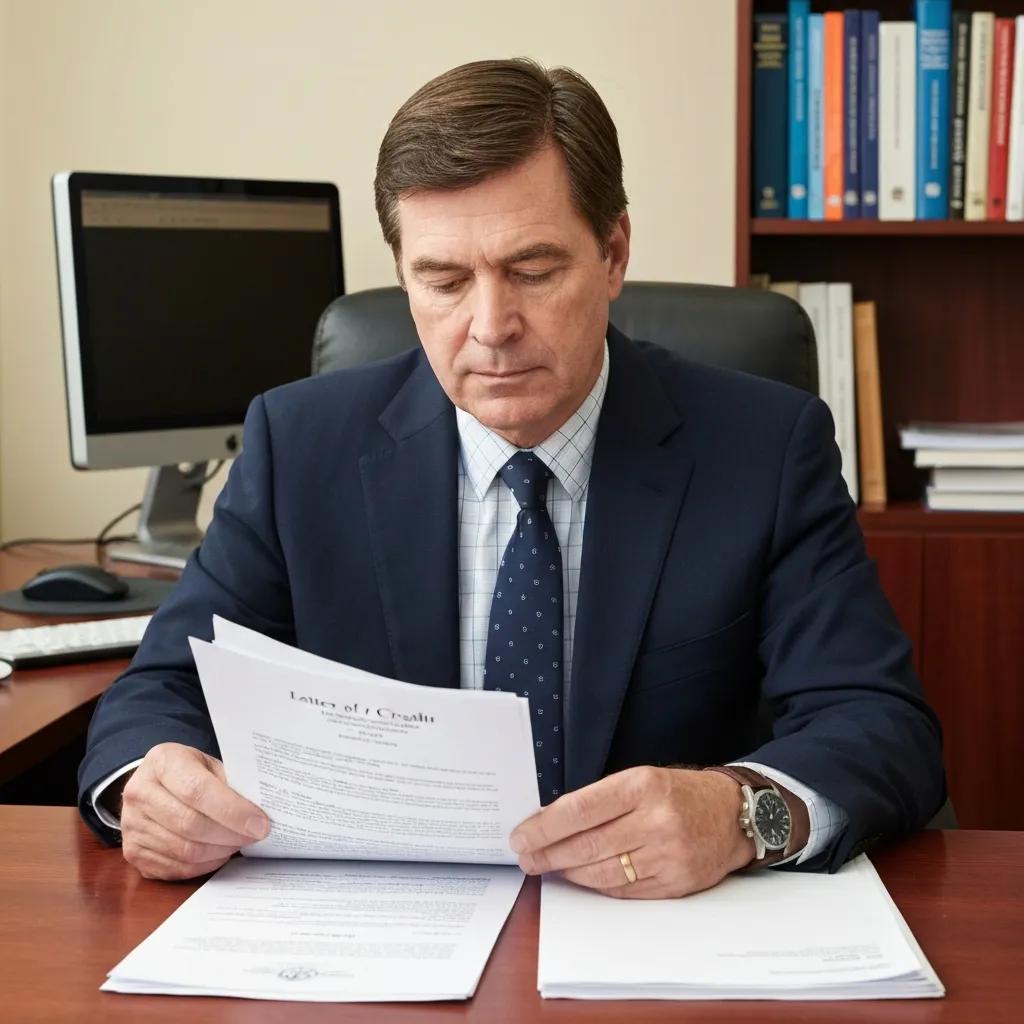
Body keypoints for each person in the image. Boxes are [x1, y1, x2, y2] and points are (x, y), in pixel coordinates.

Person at [78, 58, 945, 896]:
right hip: (378, 938)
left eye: (532, 271)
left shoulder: (762, 447)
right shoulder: (299, 444)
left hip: (654, 937)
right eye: (444, 281)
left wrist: (740, 812)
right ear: (403, 276)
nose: (490, 327)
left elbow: (880, 725)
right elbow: (161, 691)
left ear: (612, 254)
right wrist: (148, 787)